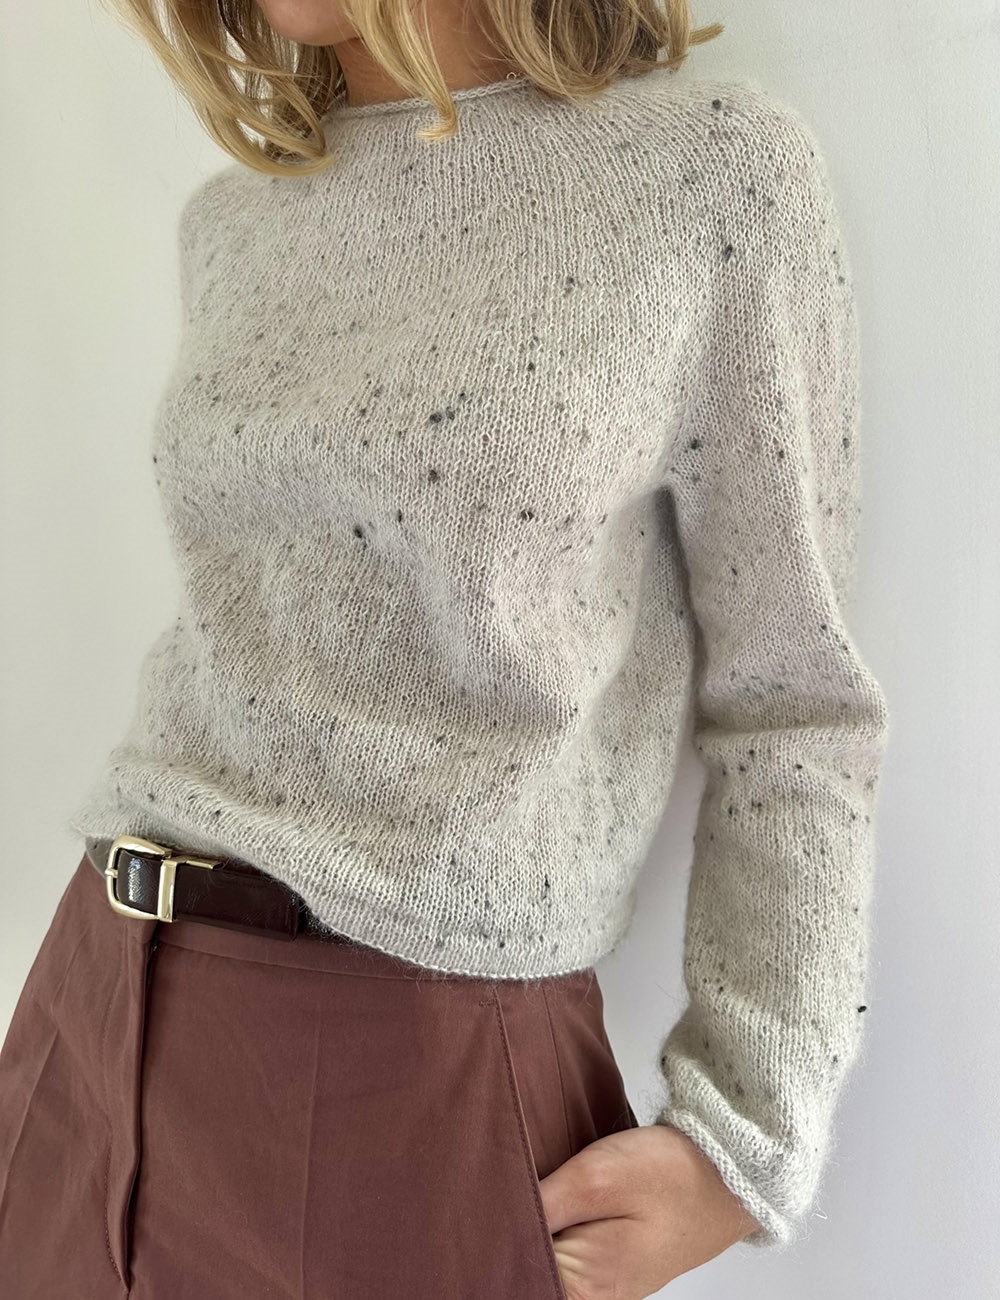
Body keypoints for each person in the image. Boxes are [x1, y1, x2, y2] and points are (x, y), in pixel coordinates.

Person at [0, 0, 891, 1296]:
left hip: (412, 1070)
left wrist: (746, 1136)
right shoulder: (239, 216)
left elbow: (796, 703)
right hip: (93, 1015)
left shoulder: (709, 176)